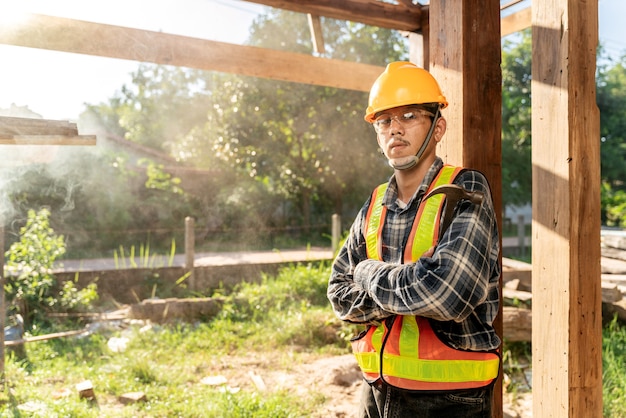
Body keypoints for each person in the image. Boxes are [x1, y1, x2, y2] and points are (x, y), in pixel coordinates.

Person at [327, 61, 501, 418]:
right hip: (375, 388)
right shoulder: (374, 203)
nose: (394, 129)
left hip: (449, 400)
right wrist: (411, 288)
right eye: (384, 121)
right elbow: (338, 295)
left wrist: (367, 272)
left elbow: (446, 295)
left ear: (438, 128)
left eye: (409, 116)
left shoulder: (465, 189)